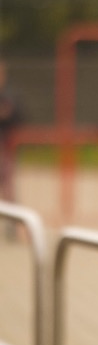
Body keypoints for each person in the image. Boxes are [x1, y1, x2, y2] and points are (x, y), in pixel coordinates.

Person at [0, 60, 23, 237]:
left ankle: (13, 225)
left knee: (8, 188)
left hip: (4, 146)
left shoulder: (9, 95)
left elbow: (17, 115)